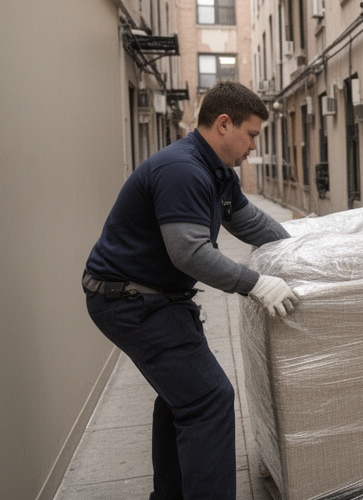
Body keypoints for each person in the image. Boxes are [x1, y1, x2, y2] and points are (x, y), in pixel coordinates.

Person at [82, 81, 299, 500]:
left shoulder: (217, 171)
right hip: (129, 300)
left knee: (182, 398)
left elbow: (249, 221)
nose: (254, 146)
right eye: (252, 134)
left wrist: (300, 251)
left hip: (156, 297)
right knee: (209, 400)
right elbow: (189, 252)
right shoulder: (182, 169)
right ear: (223, 124)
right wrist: (256, 284)